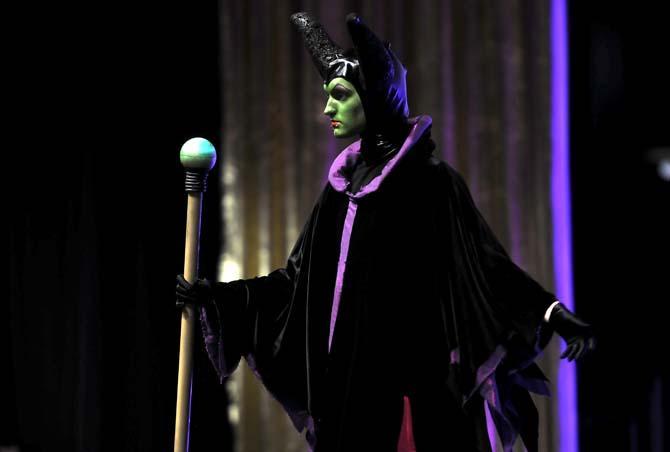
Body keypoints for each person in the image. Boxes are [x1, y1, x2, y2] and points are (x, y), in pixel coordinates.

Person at [176, 12, 596, 452]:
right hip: (351, 398)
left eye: (339, 95)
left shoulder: (430, 183)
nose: (327, 109)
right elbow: (297, 283)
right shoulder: (340, 191)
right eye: (327, 96)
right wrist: (220, 297)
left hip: (416, 399)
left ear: (376, 96)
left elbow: (486, 268)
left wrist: (552, 312)